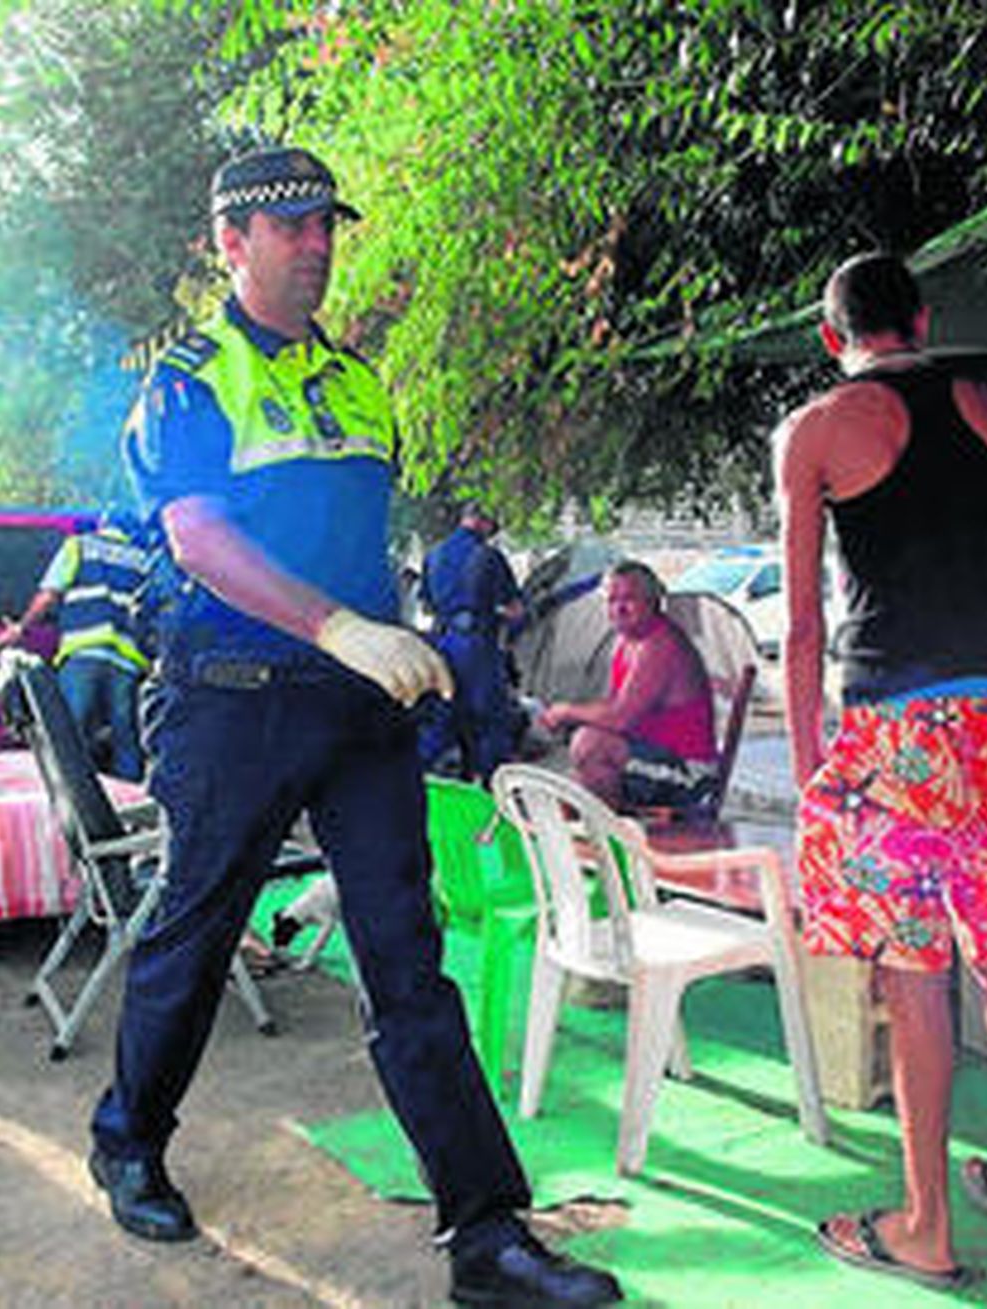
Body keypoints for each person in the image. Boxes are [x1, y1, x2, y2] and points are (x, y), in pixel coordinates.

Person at [99, 146, 621, 1307]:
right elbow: (198, 538)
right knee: (197, 929)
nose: (316, 243)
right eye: (287, 227)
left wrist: (403, 638)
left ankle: (487, 1235)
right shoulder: (187, 380)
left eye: (324, 223)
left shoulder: (360, 383)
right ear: (229, 243)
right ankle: (129, 1137)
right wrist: (337, 626)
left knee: (408, 959)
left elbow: (351, 532)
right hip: (231, 696)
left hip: (360, 704)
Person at [776, 253, 987, 1287]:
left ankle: (924, 1226)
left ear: (832, 334)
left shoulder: (816, 429)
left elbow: (805, 625)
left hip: (891, 740)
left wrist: (816, 767)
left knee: (915, 983)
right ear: (923, 318)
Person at [539, 560, 720, 817]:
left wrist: (566, 712)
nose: (618, 608)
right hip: (654, 759)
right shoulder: (628, 643)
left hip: (690, 776)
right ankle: (592, 842)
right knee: (569, 784)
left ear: (653, 601)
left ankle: (610, 839)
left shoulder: (661, 644)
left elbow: (621, 717)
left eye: (629, 599)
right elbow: (612, 711)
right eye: (612, 600)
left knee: (590, 746)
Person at [0, 506, 156, 781]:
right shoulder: (144, 561)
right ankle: (130, 806)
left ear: (104, 523)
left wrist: (22, 627)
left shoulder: (79, 546)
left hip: (84, 651)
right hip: (127, 661)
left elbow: (49, 595)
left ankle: (71, 797)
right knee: (127, 738)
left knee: (70, 735)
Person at [416, 502, 526, 781]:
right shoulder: (487, 555)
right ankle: (493, 792)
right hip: (478, 647)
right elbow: (514, 609)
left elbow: (427, 606)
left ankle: (420, 780)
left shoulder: (433, 555)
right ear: (482, 521)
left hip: (442, 644)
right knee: (490, 722)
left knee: (446, 718)